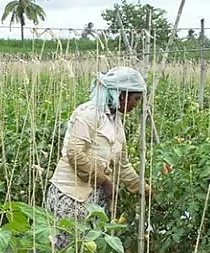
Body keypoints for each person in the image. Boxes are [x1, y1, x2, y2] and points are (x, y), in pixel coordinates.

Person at [46, 67, 152, 229]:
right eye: (136, 99)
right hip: (70, 196)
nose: (136, 105)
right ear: (121, 95)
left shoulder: (116, 123)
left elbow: (122, 165)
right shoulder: (88, 114)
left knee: (89, 249)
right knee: (68, 250)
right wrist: (104, 182)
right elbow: (75, 153)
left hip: (93, 201)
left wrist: (144, 189)